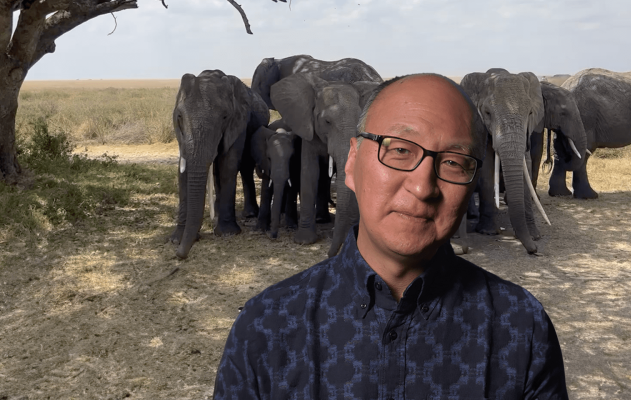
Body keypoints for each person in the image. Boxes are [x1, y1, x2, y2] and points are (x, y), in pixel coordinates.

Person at [213, 74, 568, 399]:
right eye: (399, 149)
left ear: (474, 181)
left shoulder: (522, 329)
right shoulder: (265, 328)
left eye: (453, 163)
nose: (422, 186)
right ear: (351, 163)